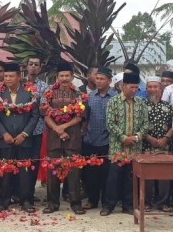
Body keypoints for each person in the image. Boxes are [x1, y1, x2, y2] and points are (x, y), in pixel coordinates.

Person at [0, 62, 39, 212]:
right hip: (5, 139)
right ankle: (4, 200)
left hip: (24, 139)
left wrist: (24, 134)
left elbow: (34, 116)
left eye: (11, 76)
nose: (8, 79)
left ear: (19, 77)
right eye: (6, 76)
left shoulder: (29, 94)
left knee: (24, 171)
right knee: (5, 170)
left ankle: (25, 200)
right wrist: (3, 133)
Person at [41, 63, 87, 215]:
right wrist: (58, 129)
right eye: (62, 76)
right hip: (54, 137)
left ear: (72, 77)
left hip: (72, 136)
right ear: (57, 77)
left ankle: (76, 203)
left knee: (73, 170)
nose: (65, 78)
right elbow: (46, 114)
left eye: (67, 76)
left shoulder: (78, 93)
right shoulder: (49, 92)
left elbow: (79, 117)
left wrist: (63, 127)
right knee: (53, 169)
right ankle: (52, 203)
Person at [100, 73, 148, 216]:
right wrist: (122, 137)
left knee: (130, 178)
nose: (134, 90)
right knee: (113, 178)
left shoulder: (141, 103)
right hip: (117, 148)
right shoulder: (113, 102)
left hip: (135, 148)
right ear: (123, 86)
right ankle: (108, 206)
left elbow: (146, 125)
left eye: (136, 87)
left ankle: (128, 205)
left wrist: (136, 137)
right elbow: (110, 123)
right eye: (132, 87)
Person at [82, 67, 117, 210]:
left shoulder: (115, 97)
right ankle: (92, 200)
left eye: (102, 79)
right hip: (91, 140)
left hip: (108, 141)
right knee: (90, 174)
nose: (99, 81)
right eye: (97, 78)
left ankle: (106, 203)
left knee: (107, 175)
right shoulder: (89, 97)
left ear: (109, 80)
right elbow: (85, 118)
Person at [142, 76, 173, 212]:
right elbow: (137, 125)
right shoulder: (141, 105)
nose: (153, 89)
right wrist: (149, 138)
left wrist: (166, 138)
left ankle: (163, 203)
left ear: (161, 88)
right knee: (147, 176)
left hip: (164, 146)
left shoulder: (168, 106)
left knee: (164, 176)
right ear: (146, 89)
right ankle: (147, 202)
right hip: (146, 146)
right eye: (150, 87)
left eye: (156, 87)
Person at [26, 55, 49, 203]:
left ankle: (29, 193)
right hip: (18, 130)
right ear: (26, 67)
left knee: (34, 162)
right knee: (19, 161)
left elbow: (44, 108)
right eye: (31, 64)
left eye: (36, 64)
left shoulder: (45, 87)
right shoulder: (19, 84)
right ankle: (19, 192)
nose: (33, 66)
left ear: (40, 68)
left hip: (37, 129)